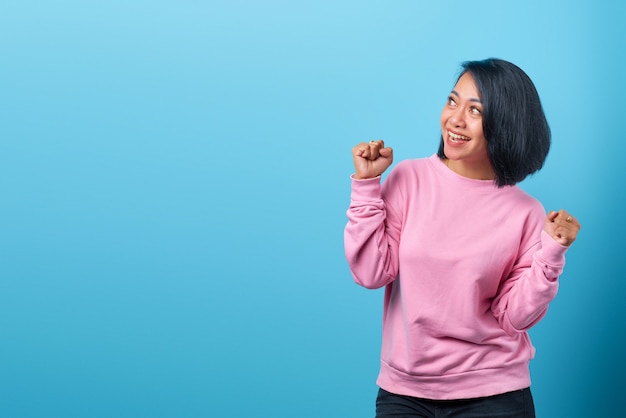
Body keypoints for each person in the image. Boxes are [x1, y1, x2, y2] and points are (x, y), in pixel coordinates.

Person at [343, 58, 581, 418]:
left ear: (505, 124)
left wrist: (551, 254)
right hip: (404, 392)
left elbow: (514, 317)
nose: (455, 119)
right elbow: (371, 273)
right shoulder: (409, 179)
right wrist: (366, 188)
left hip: (495, 393)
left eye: (475, 111)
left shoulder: (526, 212)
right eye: (453, 101)